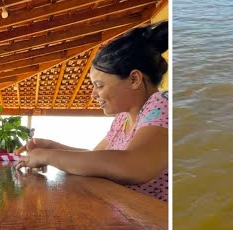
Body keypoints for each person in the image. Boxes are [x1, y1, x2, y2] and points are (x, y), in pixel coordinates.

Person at [15, 21, 169, 201]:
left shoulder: (163, 103)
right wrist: (53, 147)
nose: (93, 94)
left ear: (134, 79)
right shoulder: (122, 119)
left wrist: (49, 156)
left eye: (99, 85)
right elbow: (97, 158)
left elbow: (136, 166)